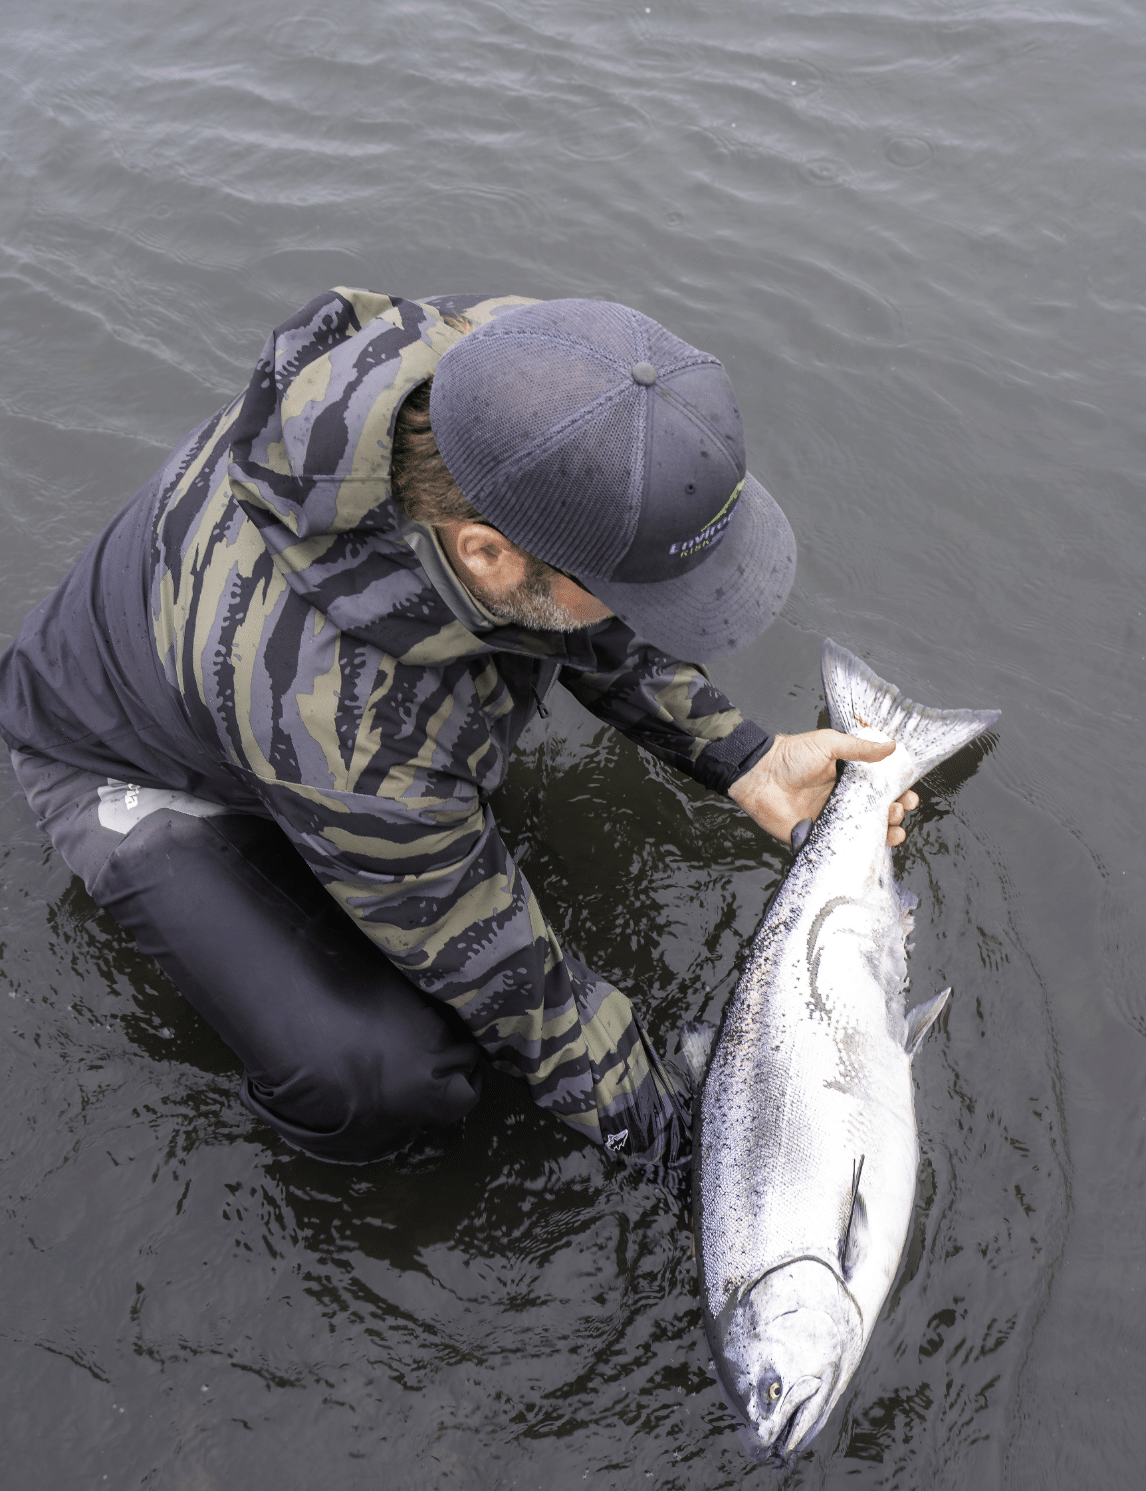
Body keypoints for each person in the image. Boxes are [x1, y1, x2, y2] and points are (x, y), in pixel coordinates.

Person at [0, 291, 916, 1192]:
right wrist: (697, 1162)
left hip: (289, 708)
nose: (655, 617)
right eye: (627, 591)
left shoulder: (534, 368)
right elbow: (522, 996)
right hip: (126, 766)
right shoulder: (354, 732)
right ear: (485, 554)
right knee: (387, 1077)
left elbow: (586, 602)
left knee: (531, 656)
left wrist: (744, 757)